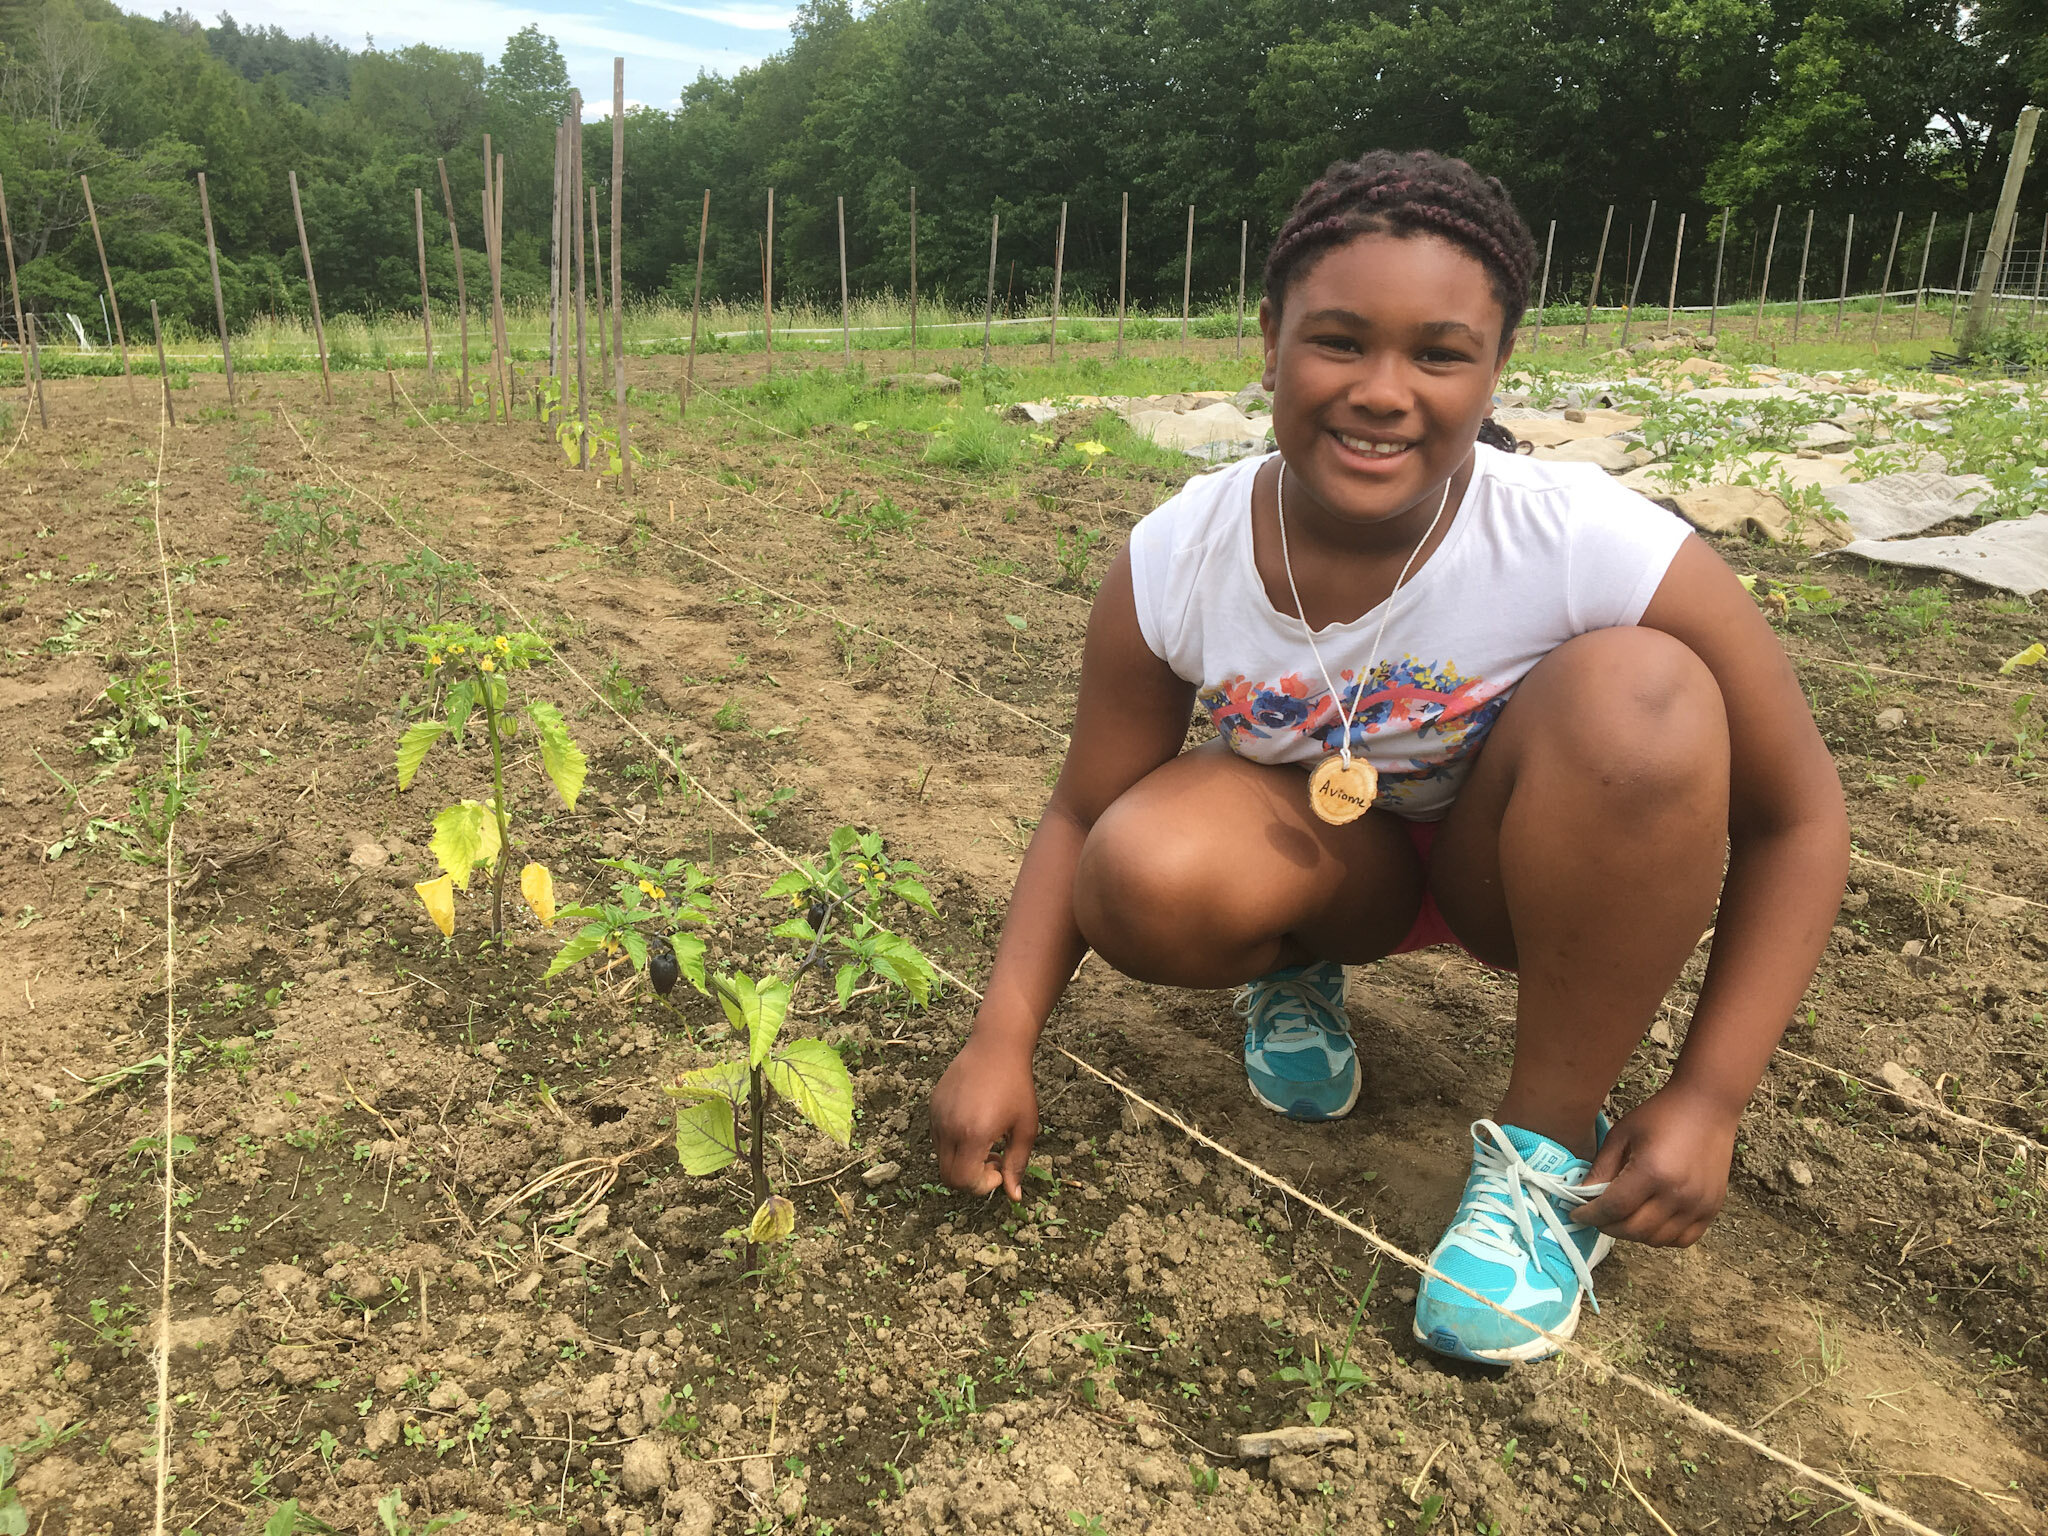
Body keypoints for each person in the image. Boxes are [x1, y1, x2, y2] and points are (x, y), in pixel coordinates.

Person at [929, 151, 1849, 1364]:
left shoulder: (1584, 540)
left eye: (1437, 353)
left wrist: (1708, 1096)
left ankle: (1543, 1153)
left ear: (1496, 370)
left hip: (1516, 875)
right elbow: (1077, 810)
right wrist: (1001, 1035)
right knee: (1138, 865)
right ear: (1267, 342)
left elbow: (1797, 818)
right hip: (1330, 865)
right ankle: (1297, 971)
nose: (1380, 390)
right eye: (1337, 340)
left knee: (1645, 693)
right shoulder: (1176, 555)